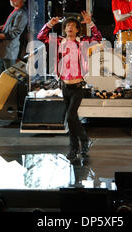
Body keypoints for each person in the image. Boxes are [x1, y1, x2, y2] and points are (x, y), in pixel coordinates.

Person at [37, 11, 102, 161]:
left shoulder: (83, 42)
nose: (70, 28)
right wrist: (50, 24)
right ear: (64, 29)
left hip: (78, 86)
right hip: (65, 86)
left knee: (71, 115)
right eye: (67, 26)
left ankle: (84, 140)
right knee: (72, 119)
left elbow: (98, 37)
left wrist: (90, 23)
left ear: (78, 29)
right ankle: (74, 147)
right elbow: (40, 37)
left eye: (73, 26)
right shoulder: (59, 41)